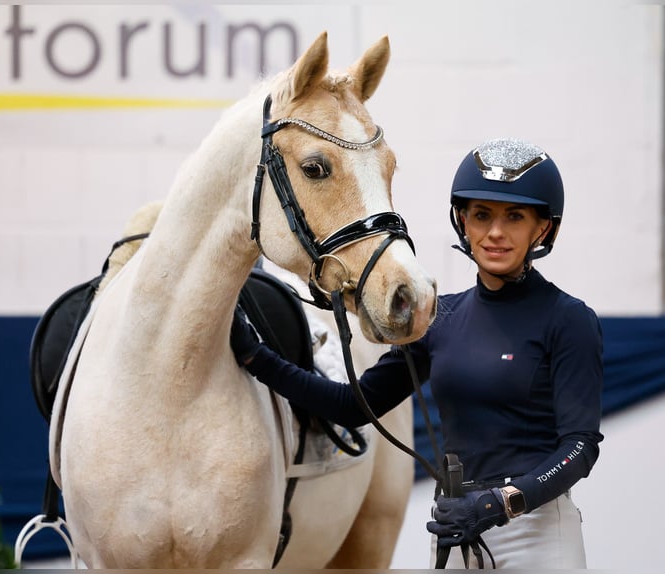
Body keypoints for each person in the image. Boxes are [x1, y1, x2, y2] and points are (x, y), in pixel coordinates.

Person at [230, 137, 603, 569]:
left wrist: (499, 504)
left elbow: (580, 447)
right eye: (482, 215)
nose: (495, 232)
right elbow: (353, 407)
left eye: (514, 217)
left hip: (535, 532)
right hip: (454, 530)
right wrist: (257, 359)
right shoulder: (441, 318)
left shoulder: (569, 319)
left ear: (542, 228)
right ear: (462, 221)